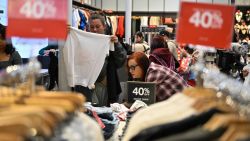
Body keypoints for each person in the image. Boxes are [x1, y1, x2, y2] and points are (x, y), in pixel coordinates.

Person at [75, 14, 127, 106]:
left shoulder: (110, 41)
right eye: (92, 27)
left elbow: (121, 61)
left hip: (106, 86)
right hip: (86, 87)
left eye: (98, 26)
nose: (95, 29)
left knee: (105, 115)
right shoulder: (83, 43)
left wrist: (116, 44)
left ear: (104, 26)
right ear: (88, 27)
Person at [145, 35, 187, 102]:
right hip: (174, 85)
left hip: (163, 88)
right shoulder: (169, 54)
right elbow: (176, 66)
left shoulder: (153, 56)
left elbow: (152, 79)